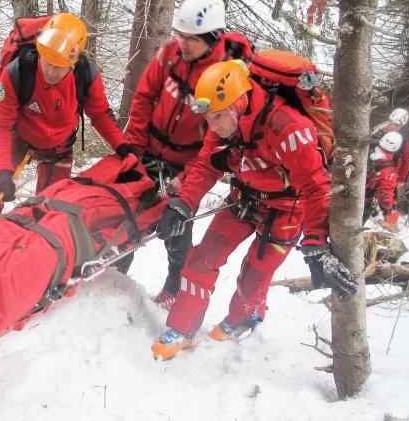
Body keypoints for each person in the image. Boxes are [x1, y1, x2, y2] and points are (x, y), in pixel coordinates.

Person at [149, 60, 357, 361]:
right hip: (244, 198)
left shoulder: (288, 128)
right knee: (202, 259)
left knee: (254, 274)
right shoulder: (222, 125)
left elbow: (316, 188)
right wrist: (181, 205)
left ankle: (242, 318)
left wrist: (316, 244)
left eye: (218, 117)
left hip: (287, 209)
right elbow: (206, 165)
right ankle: (183, 329)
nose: (214, 126)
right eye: (208, 118)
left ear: (240, 103)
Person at [118, 0, 253, 309]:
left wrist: (189, 176)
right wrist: (134, 149)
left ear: (212, 37)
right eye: (181, 35)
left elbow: (219, 141)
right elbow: (142, 100)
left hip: (188, 162)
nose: (184, 43)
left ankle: (174, 283)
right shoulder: (170, 55)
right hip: (150, 150)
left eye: (192, 39)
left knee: (176, 228)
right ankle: (116, 272)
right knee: (128, 215)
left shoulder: (225, 74)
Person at [0, 13, 128, 213]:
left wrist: (122, 146)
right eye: (47, 62)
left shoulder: (85, 75)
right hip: (18, 139)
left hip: (59, 147)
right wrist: (3, 170)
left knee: (50, 209)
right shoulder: (18, 72)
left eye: (59, 67)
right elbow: (1, 125)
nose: (51, 72)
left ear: (73, 64)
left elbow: (100, 115)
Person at [364, 131, 403, 230]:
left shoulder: (366, 149)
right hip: (360, 201)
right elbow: (385, 195)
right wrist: (390, 212)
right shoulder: (387, 170)